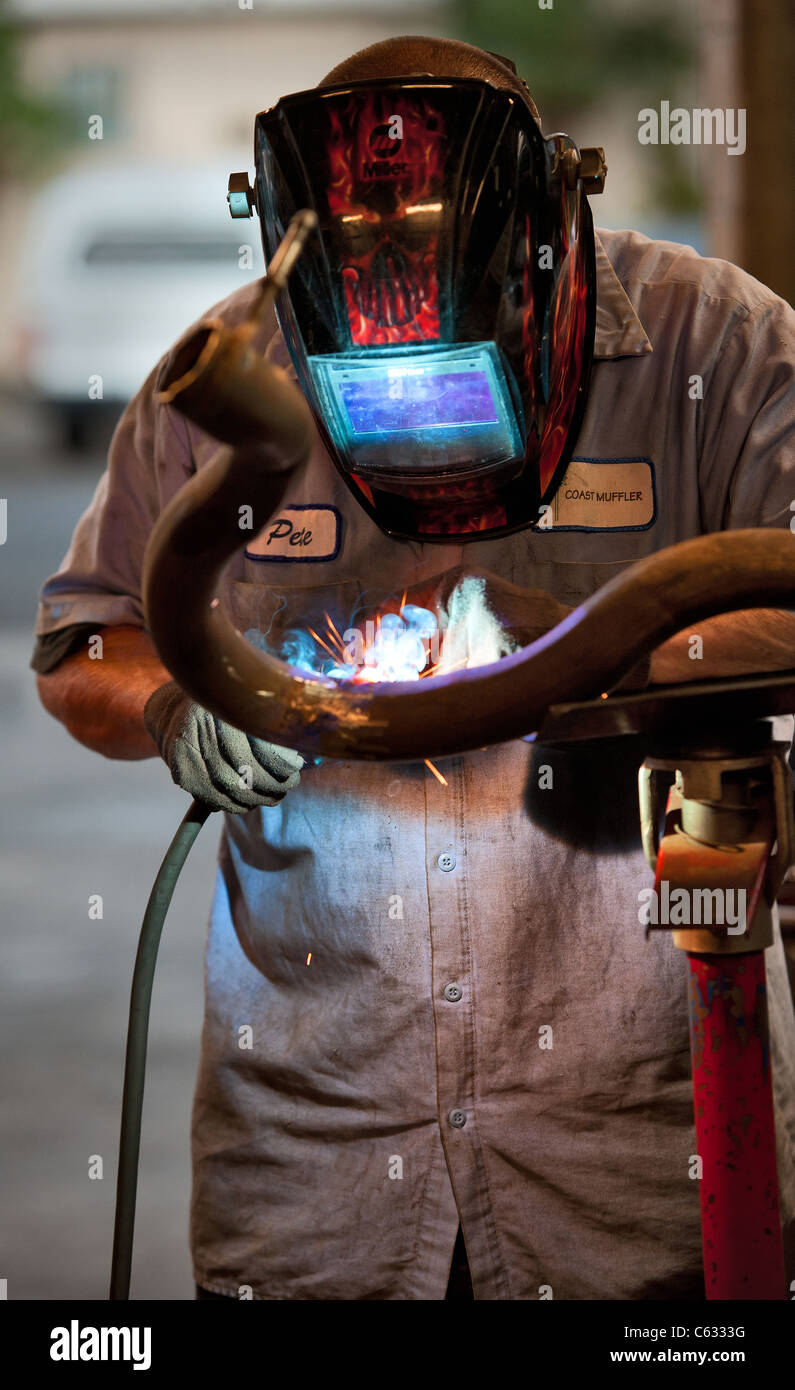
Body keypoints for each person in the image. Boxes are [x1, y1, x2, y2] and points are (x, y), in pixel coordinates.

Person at [33, 36, 795, 1301]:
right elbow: (83, 637)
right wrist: (172, 706)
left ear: (554, 215)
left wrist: (572, 637)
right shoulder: (223, 378)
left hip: (626, 1149)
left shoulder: (717, 347)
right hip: (317, 1148)